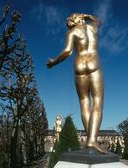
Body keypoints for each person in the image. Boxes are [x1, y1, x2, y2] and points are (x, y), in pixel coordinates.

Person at [47, 13, 107, 154]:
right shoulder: (93, 28)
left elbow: (68, 51)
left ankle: (90, 140)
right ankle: (92, 140)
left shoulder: (72, 32)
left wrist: (54, 61)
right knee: (97, 102)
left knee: (84, 102)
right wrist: (87, 15)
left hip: (79, 66)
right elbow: (99, 20)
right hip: (94, 64)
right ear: (81, 19)